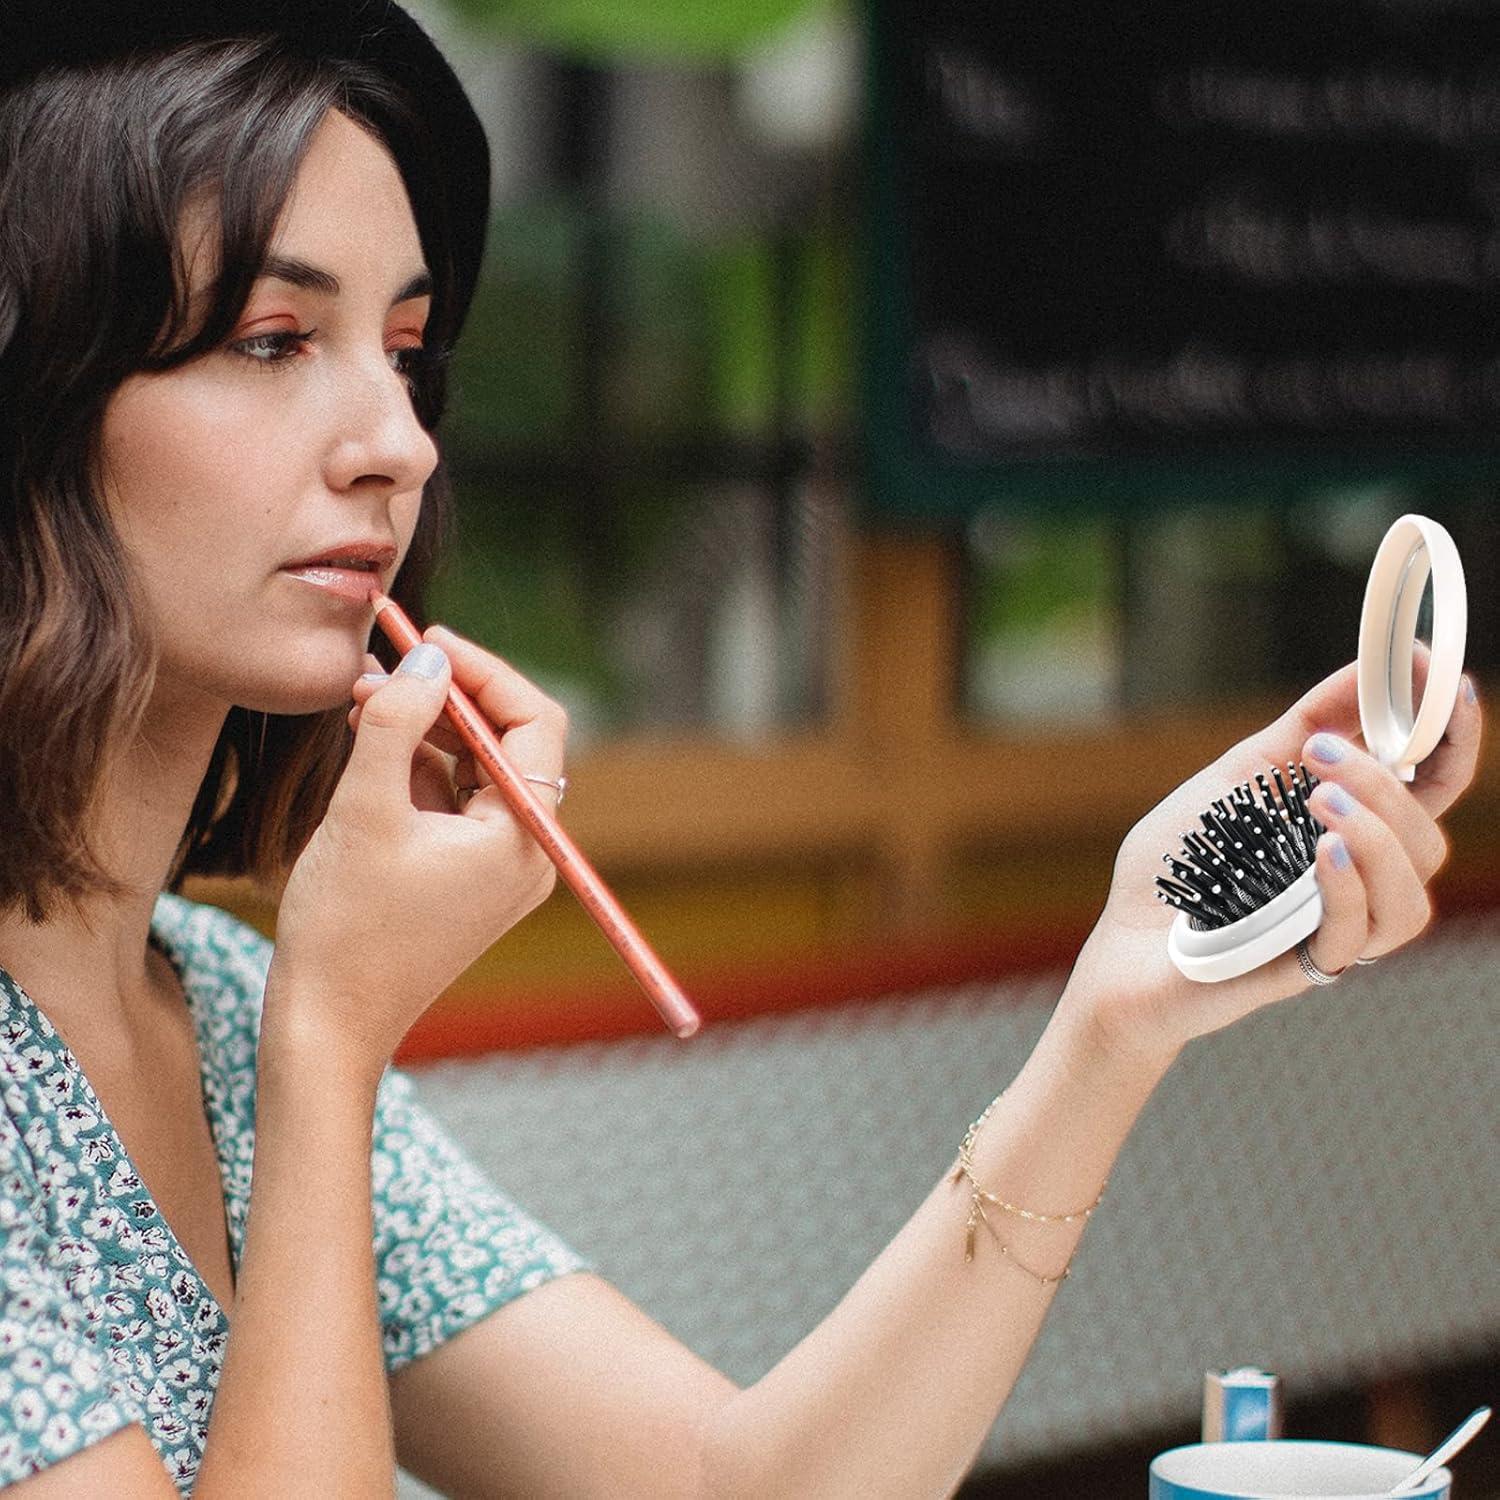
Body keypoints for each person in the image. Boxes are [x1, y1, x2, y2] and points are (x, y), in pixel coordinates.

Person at [0, 3, 1483, 1496]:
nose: (400, 441)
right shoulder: (277, 1032)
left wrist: (1115, 1013)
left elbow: (740, 1490)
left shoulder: (229, 1006)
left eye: (401, 350)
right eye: (272, 339)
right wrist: (328, 1051)